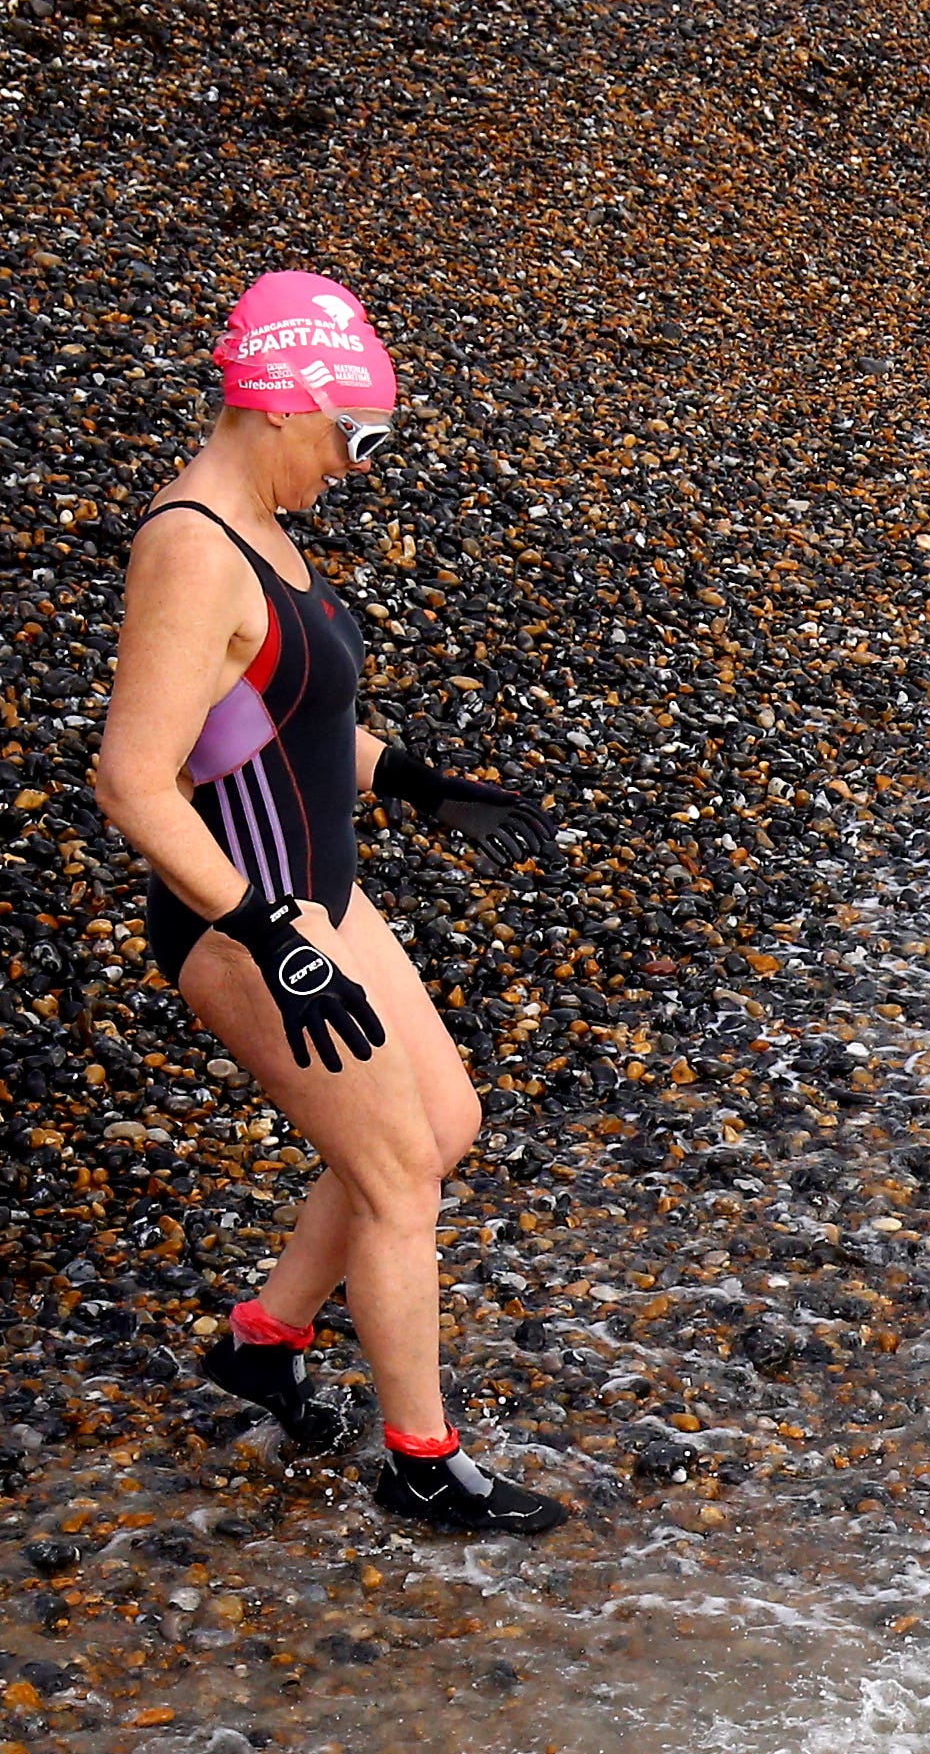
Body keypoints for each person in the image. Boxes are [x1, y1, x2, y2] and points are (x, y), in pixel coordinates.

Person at [90, 271, 575, 1535]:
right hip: (248, 917)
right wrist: (262, 934)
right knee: (397, 1174)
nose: (357, 466)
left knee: (445, 1121)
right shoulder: (192, 549)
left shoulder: (264, 531)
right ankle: (422, 1460)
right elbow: (137, 781)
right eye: (354, 436)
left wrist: (411, 778)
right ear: (284, 400)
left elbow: (265, 728)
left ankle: (265, 1341)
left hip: (321, 893)